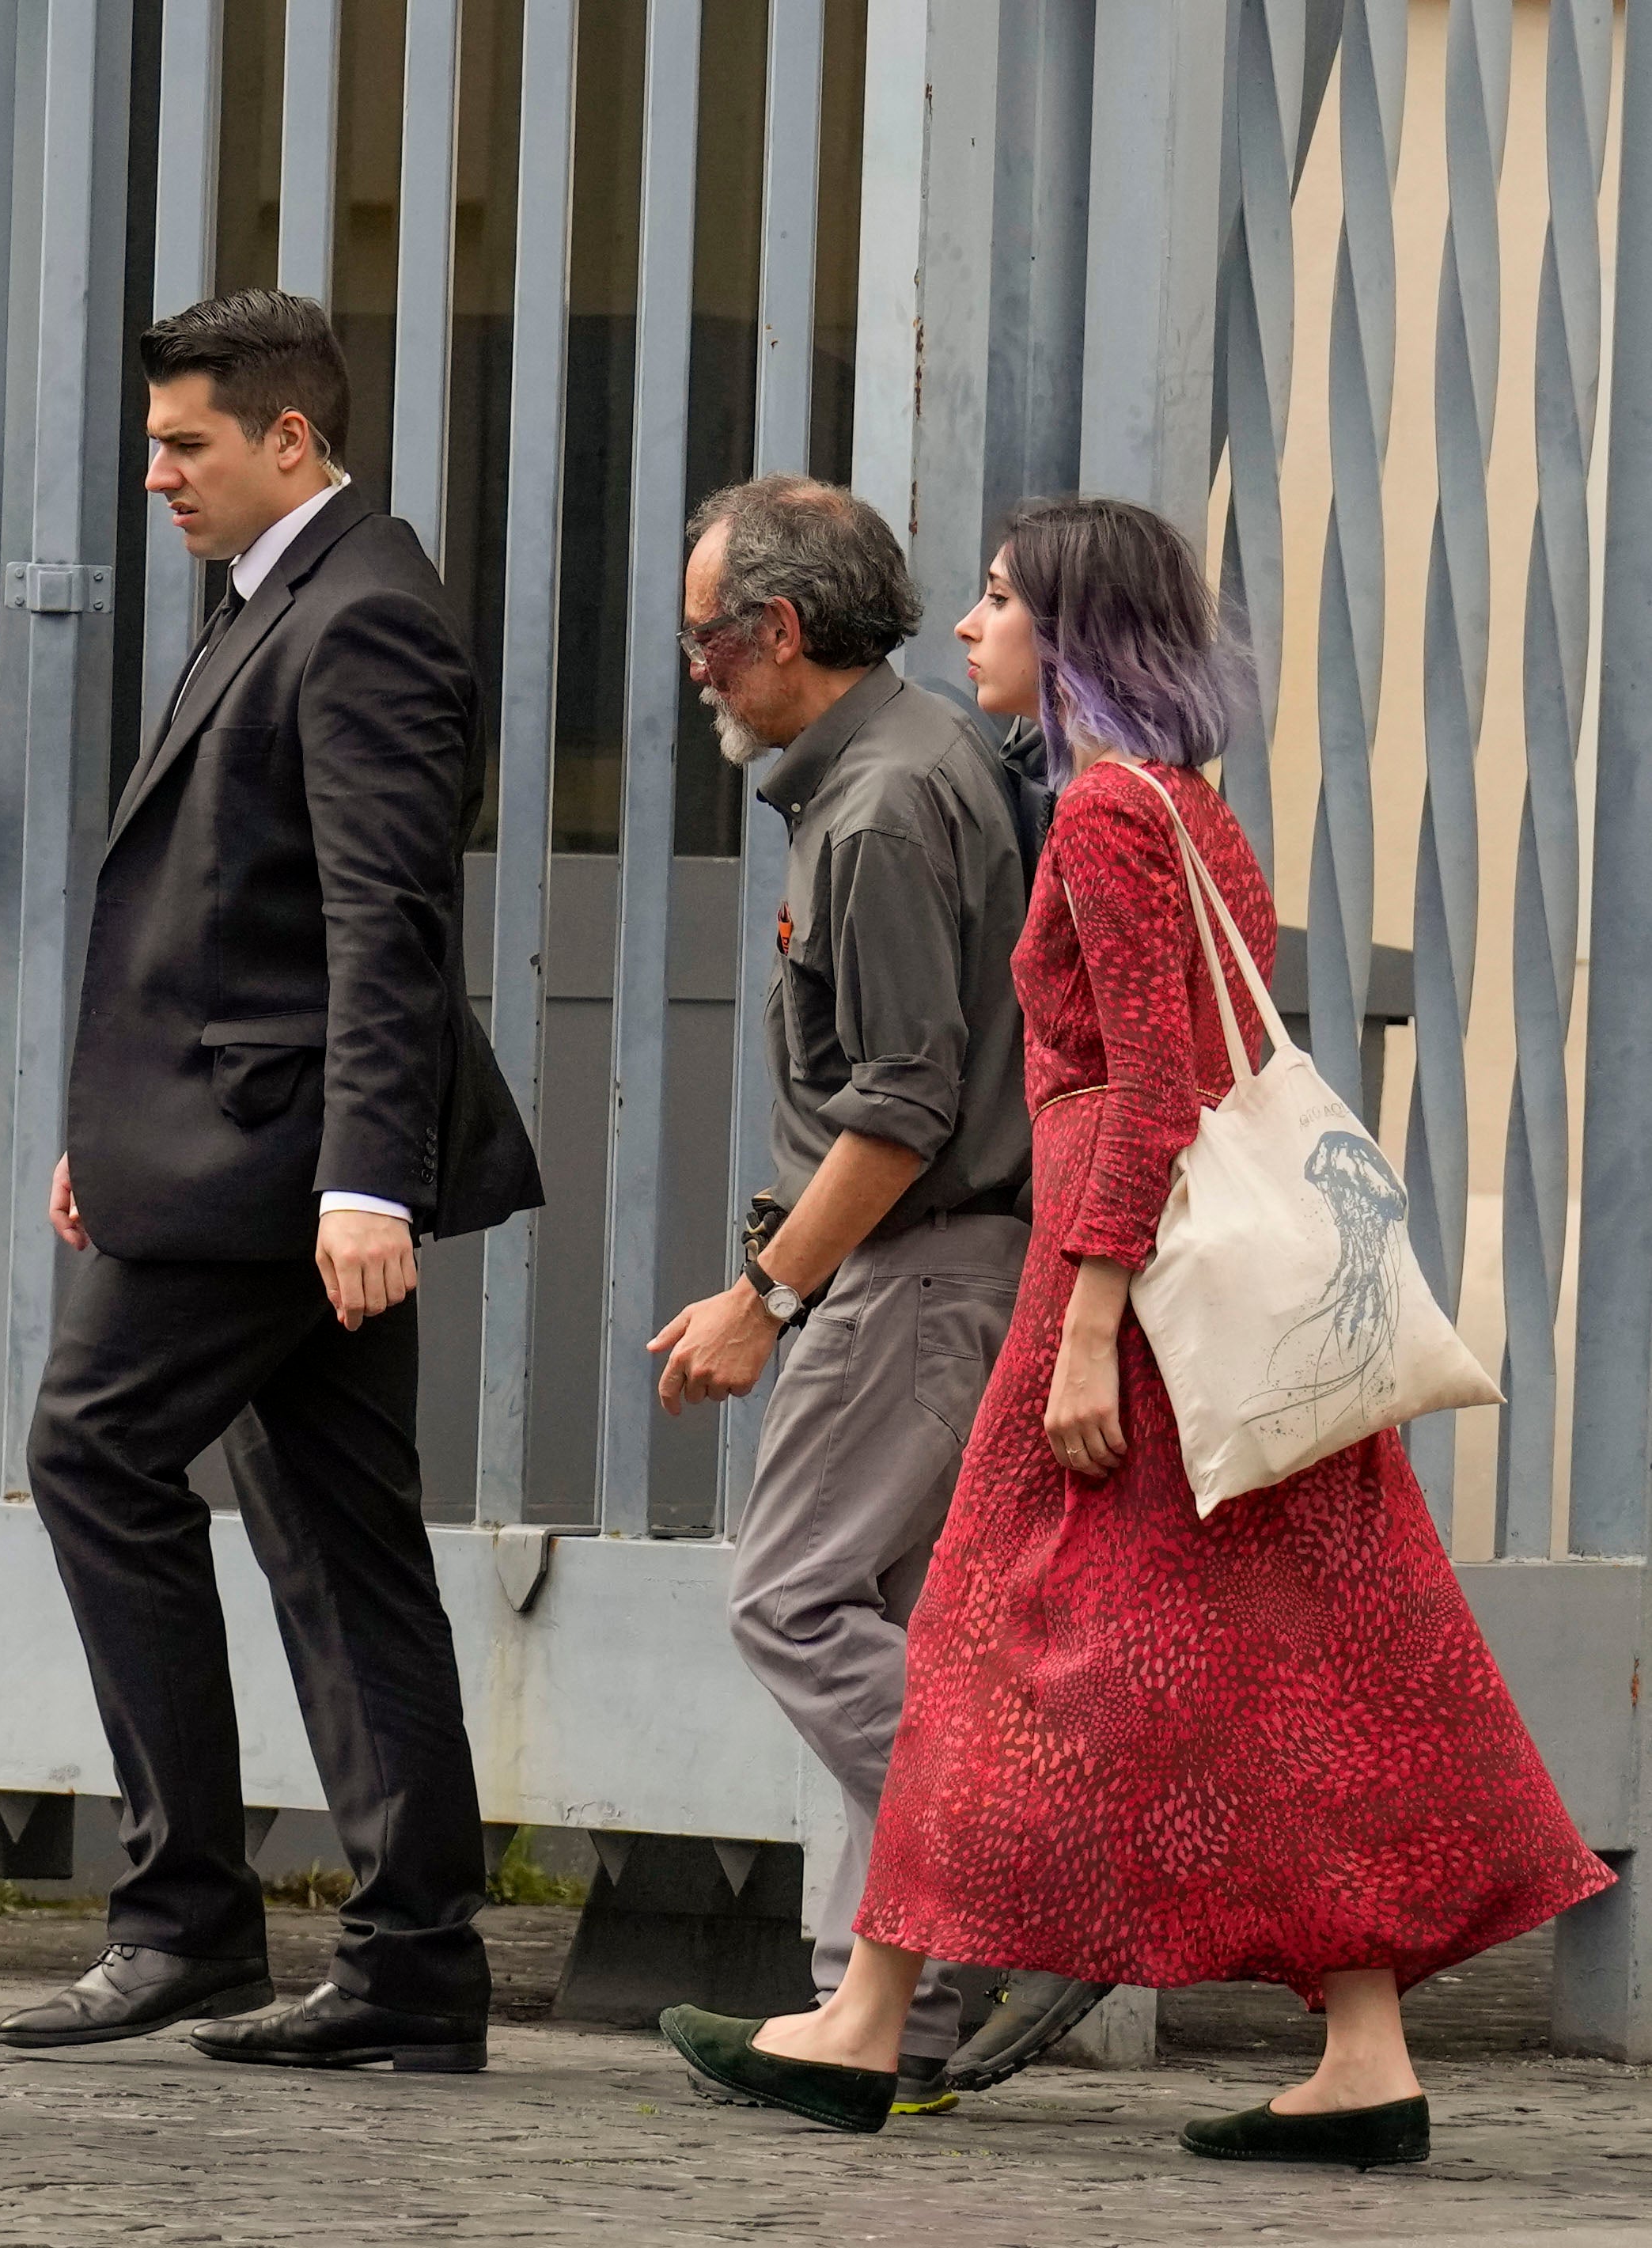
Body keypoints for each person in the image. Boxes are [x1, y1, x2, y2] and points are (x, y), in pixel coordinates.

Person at [660, 495, 1614, 2163]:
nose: (968, 626)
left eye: (1002, 600)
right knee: (1294, 1674)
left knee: (973, 1647)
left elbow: (1149, 1086)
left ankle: (877, 2013)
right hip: (1227, 1324)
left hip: (1119, 1308)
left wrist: (1090, 1317)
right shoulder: (1186, 807)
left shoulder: (1104, 813)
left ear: (1073, 637)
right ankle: (1364, 2051)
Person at [0, 290, 542, 2073]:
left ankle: (186, 1918)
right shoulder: (284, 593)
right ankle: (415, 1962)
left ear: (289, 440)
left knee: (91, 1447)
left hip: (286, 1168)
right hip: (237, 1150)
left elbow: (389, 925)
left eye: (185, 443)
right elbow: (230, 916)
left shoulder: (366, 615)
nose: (154, 473)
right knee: (339, 1533)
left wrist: (366, 1182)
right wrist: (111, 1134)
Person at [643, 476, 1089, 2110]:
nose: (695, 670)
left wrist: (765, 1289)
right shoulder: (903, 768)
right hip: (940, 1264)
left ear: (774, 631)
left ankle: (1031, 1851)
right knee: (892, 1627)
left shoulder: (888, 801)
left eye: (705, 639)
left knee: (792, 1597)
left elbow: (901, 1105)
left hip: (923, 1269)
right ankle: (878, 2011)